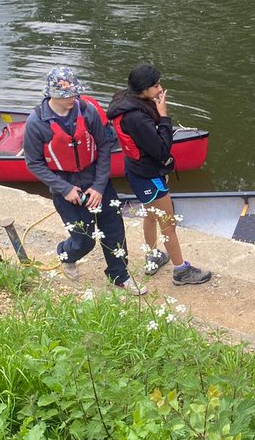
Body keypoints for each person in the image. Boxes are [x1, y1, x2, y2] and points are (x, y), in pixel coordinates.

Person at [22, 66, 145, 295]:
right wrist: (64, 189)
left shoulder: (86, 112)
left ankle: (120, 275)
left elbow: (104, 146)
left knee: (114, 231)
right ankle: (66, 254)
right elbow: (34, 163)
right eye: (67, 95)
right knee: (84, 239)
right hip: (66, 185)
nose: (73, 98)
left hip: (96, 178)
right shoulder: (36, 123)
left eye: (74, 93)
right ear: (52, 95)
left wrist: (99, 186)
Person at [107, 64, 212, 286]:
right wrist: (163, 116)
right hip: (148, 176)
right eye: (156, 86)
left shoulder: (123, 99)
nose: (160, 89)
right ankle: (181, 271)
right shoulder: (136, 118)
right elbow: (162, 150)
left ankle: (152, 255)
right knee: (169, 225)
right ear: (143, 89)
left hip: (135, 171)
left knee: (150, 215)